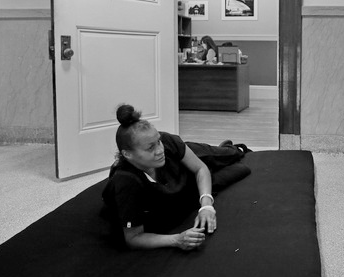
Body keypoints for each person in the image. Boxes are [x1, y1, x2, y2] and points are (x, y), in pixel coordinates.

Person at [102, 104, 250, 249]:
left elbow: (200, 168)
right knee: (240, 170)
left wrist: (206, 206)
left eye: (158, 141)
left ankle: (230, 147)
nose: (160, 150)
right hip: (182, 184)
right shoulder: (126, 181)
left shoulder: (168, 143)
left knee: (229, 154)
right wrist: (177, 240)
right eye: (150, 147)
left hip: (187, 161)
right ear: (127, 154)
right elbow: (133, 238)